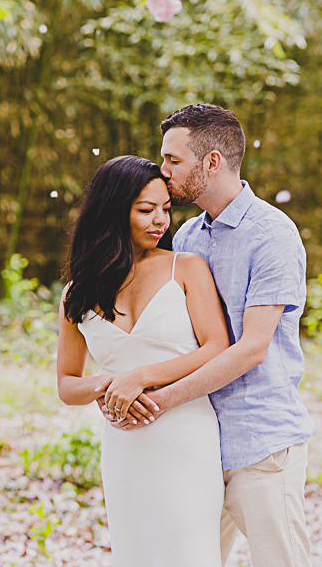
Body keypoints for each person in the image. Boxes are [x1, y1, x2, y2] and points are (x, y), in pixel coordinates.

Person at [103, 103, 314, 567]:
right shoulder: (187, 238)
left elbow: (251, 349)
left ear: (212, 161)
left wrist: (157, 400)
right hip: (198, 446)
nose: (163, 171)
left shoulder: (272, 235)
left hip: (260, 443)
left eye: (173, 160)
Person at [56, 155, 231, 567]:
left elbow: (216, 347)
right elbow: (67, 384)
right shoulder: (76, 293)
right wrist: (112, 387)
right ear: (114, 212)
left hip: (187, 437)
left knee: (190, 554)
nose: (161, 221)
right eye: (146, 210)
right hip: (126, 443)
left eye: (166, 209)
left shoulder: (186, 268)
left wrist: (141, 377)